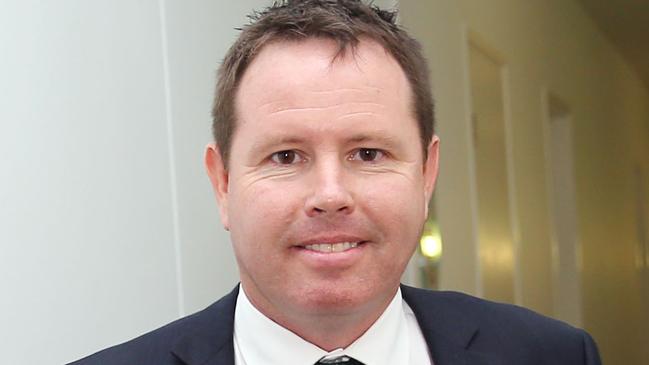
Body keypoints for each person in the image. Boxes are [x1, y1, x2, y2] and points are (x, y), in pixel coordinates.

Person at [69, 1, 602, 364]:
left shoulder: (552, 354)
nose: (330, 195)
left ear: (426, 174)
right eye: (285, 155)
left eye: (368, 153)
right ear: (223, 184)